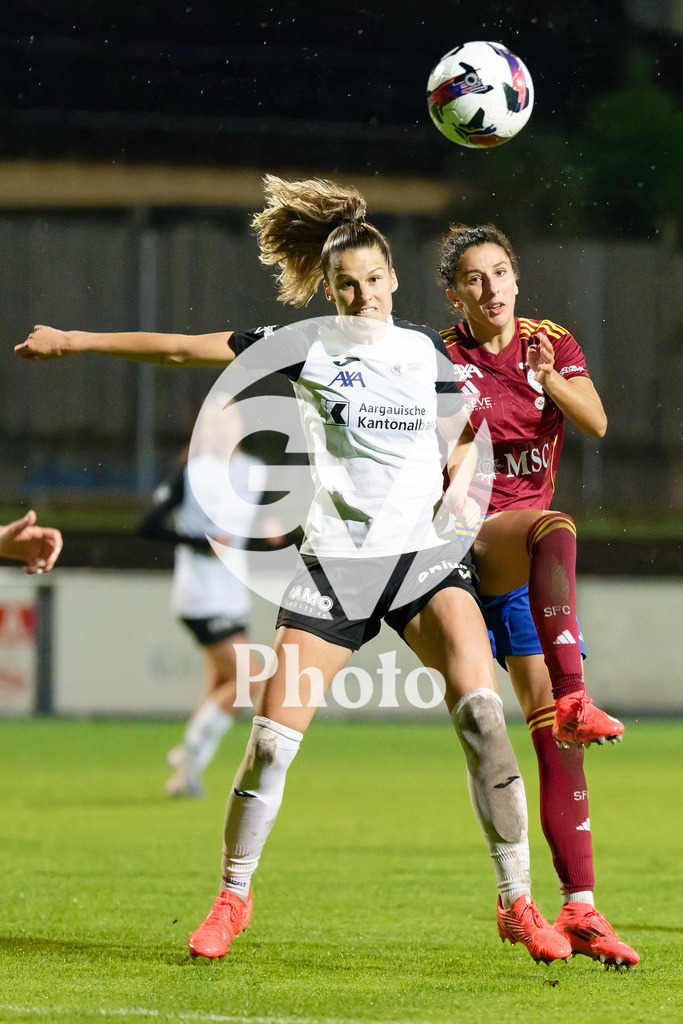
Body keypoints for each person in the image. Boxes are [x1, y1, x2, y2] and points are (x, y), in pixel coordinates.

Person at [15, 174, 573, 966]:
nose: (362, 295)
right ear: (331, 290)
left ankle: (517, 904)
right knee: (272, 744)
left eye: (373, 280)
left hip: (419, 566)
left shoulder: (423, 353)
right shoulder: (306, 347)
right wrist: (73, 341)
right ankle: (231, 898)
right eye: (345, 285)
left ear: (392, 281)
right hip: (335, 569)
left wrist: (454, 486)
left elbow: (459, 429)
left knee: (484, 716)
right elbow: (183, 348)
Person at [437, 223, 638, 967]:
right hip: (457, 553)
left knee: (551, 733)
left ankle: (579, 908)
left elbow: (596, 420)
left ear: (516, 279)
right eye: (473, 278)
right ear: (453, 292)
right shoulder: (439, 358)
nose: (490, 289)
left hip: (524, 569)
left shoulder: (549, 343)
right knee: (488, 727)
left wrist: (547, 381)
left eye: (500, 273)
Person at [140, 400, 271, 798]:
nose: (222, 430)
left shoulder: (254, 472)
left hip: (233, 595)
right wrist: (200, 543)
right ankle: (187, 754)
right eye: (214, 423)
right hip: (199, 596)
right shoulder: (191, 473)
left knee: (222, 687)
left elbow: (250, 527)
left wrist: (273, 531)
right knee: (249, 682)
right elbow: (149, 527)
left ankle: (186, 774)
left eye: (228, 422)